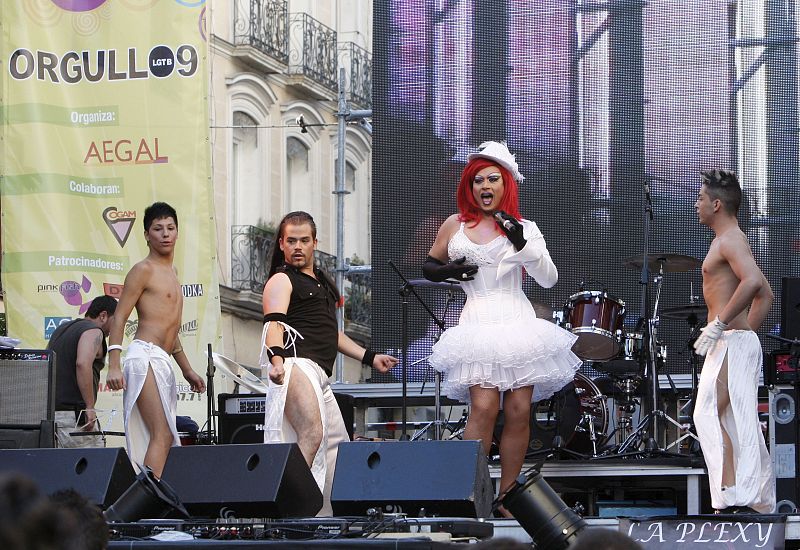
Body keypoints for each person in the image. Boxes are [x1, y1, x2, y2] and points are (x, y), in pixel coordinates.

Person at [423, 141, 582, 507]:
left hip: (517, 320)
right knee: (483, 407)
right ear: (470, 187)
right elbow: (428, 266)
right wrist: (449, 270)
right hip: (477, 318)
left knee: (518, 410)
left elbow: (549, 279)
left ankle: (507, 493)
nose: (484, 186)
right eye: (477, 180)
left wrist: (521, 243)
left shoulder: (525, 227)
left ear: (506, 183)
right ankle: (468, 492)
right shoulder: (455, 225)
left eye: (492, 179)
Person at [260, 211, 398, 515]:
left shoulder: (319, 281)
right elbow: (274, 324)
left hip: (319, 372)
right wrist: (276, 359)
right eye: (291, 240)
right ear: (282, 244)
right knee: (312, 434)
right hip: (296, 364)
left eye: (304, 240)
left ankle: (326, 518)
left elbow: (330, 334)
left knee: (337, 448)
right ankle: (286, 511)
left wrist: (370, 357)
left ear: (314, 243)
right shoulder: (281, 280)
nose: (298, 246)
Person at [692, 169, 775, 514]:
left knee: (714, 412)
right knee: (722, 415)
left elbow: (754, 282)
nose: (695, 205)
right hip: (730, 341)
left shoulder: (731, 239)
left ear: (716, 204)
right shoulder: (725, 240)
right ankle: (744, 496)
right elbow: (767, 296)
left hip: (729, 339)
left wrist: (725, 326)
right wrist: (742, 334)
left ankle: (738, 496)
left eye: (699, 198)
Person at [105, 202, 206, 478]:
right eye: (158, 228)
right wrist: (113, 363)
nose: (165, 234)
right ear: (147, 234)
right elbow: (119, 318)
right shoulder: (143, 269)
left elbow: (171, 333)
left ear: (177, 233)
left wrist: (187, 369)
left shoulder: (172, 274)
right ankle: (151, 505)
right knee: (161, 433)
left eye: (170, 228)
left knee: (164, 435)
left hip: (160, 358)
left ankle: (151, 499)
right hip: (144, 356)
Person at [47, 295, 117, 448]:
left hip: (51, 417)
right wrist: (89, 407)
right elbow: (82, 363)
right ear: (103, 316)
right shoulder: (94, 332)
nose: (116, 329)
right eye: (116, 321)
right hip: (76, 418)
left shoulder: (60, 330)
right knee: (95, 468)